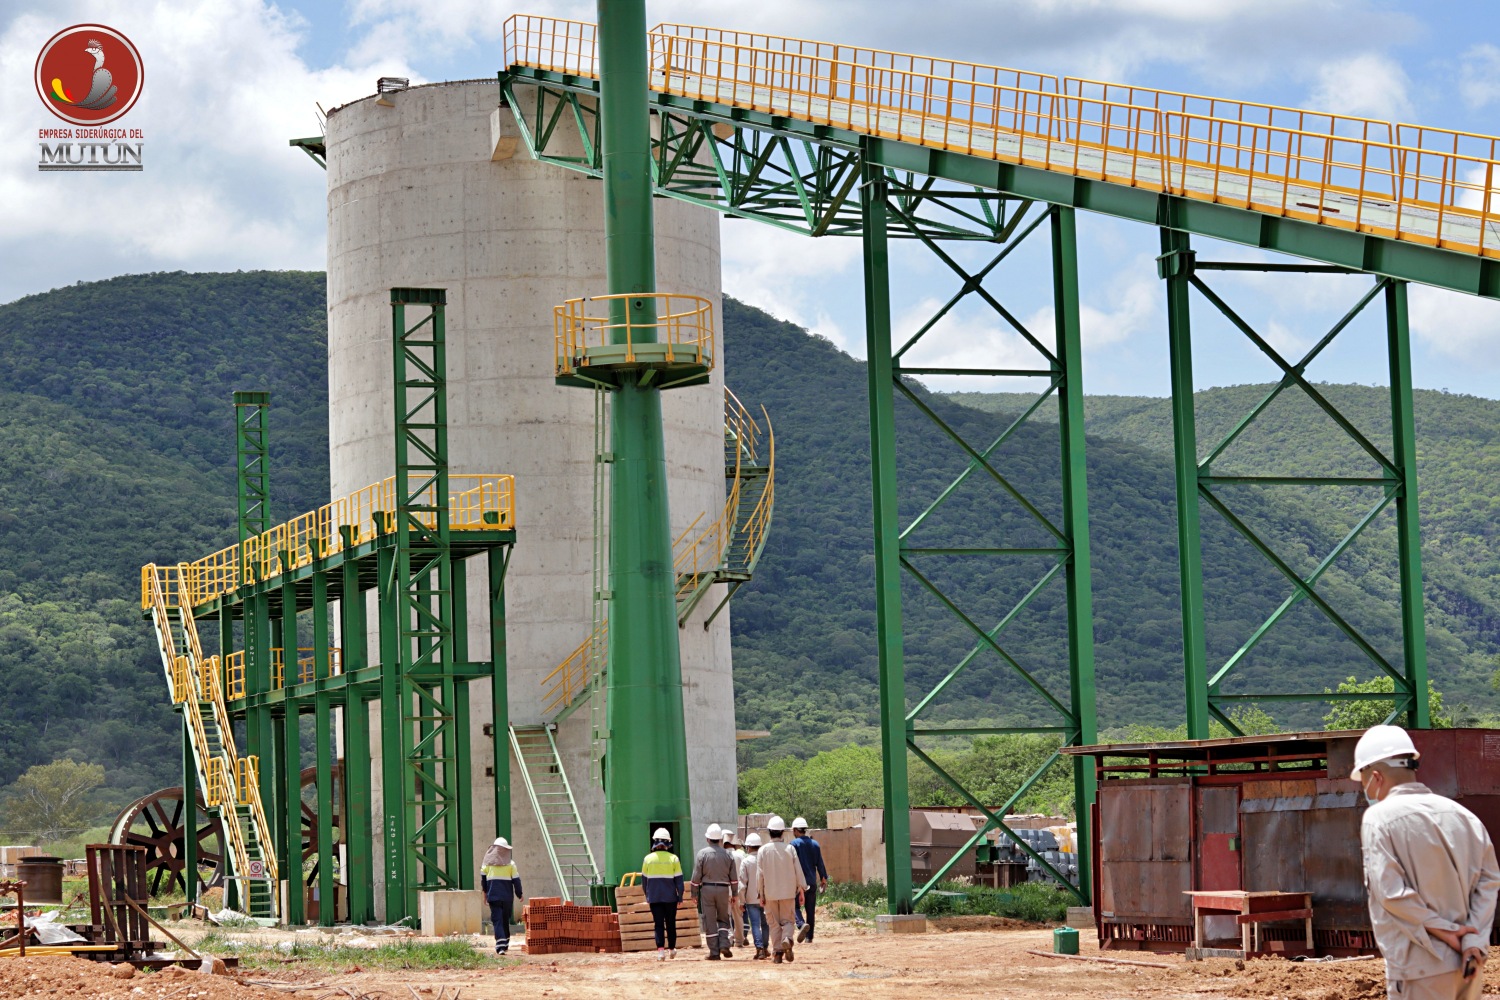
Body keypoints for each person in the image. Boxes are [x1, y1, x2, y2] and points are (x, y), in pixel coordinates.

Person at [1354, 725, 1500, 1000]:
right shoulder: (1465, 816)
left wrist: (1448, 931)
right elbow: (1489, 882)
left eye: (1363, 782)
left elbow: (1392, 894)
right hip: (1469, 966)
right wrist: (1472, 941)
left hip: (1419, 969)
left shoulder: (1379, 819)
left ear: (1375, 777)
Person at [755, 815, 807, 964]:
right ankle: (787, 938)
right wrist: (802, 889)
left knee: (773, 924)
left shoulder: (762, 851)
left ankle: (777, 953)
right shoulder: (790, 849)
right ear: (783, 832)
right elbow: (798, 871)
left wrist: (761, 894)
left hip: (770, 893)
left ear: (770, 832)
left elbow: (760, 875)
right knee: (788, 921)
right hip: (788, 893)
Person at [690, 823, 737, 960]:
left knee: (709, 920)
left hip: (707, 890)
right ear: (721, 839)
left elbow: (696, 877)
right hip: (723, 890)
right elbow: (733, 878)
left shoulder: (702, 854)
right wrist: (734, 894)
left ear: (707, 839)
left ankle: (714, 952)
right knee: (723, 918)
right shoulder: (728, 855)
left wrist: (694, 894)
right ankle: (724, 944)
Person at [642, 827, 685, 961]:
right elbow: (679, 880)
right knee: (670, 923)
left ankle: (661, 952)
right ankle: (672, 949)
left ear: (655, 842)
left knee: (658, 924)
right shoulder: (674, 858)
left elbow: (644, 881)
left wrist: (647, 895)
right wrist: (680, 896)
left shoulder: (648, 859)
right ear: (668, 843)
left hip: (654, 898)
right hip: (670, 898)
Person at [479, 836, 522, 955]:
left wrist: (485, 896)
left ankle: (502, 945)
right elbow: (516, 881)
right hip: (507, 898)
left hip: (494, 897)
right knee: (504, 920)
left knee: (498, 920)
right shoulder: (511, 864)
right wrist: (520, 894)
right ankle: (503, 944)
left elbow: (483, 882)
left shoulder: (487, 864)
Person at [791, 817, 828, 942]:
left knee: (794, 906)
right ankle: (809, 937)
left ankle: (801, 924)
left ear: (795, 830)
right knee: (810, 910)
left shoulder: (793, 845)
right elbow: (820, 863)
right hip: (811, 882)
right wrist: (824, 878)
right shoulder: (815, 844)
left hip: (798, 883)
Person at [739, 832, 770, 959]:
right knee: (765, 924)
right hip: (766, 898)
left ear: (748, 847)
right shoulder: (765, 860)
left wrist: (741, 901)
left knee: (755, 925)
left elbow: (742, 884)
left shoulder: (745, 862)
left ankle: (759, 949)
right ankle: (766, 947)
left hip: (751, 899)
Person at [723, 828, 749, 948]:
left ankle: (729, 938)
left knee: (725, 916)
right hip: (738, 890)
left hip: (725, 890)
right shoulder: (740, 855)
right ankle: (739, 940)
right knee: (738, 916)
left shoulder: (722, 855)